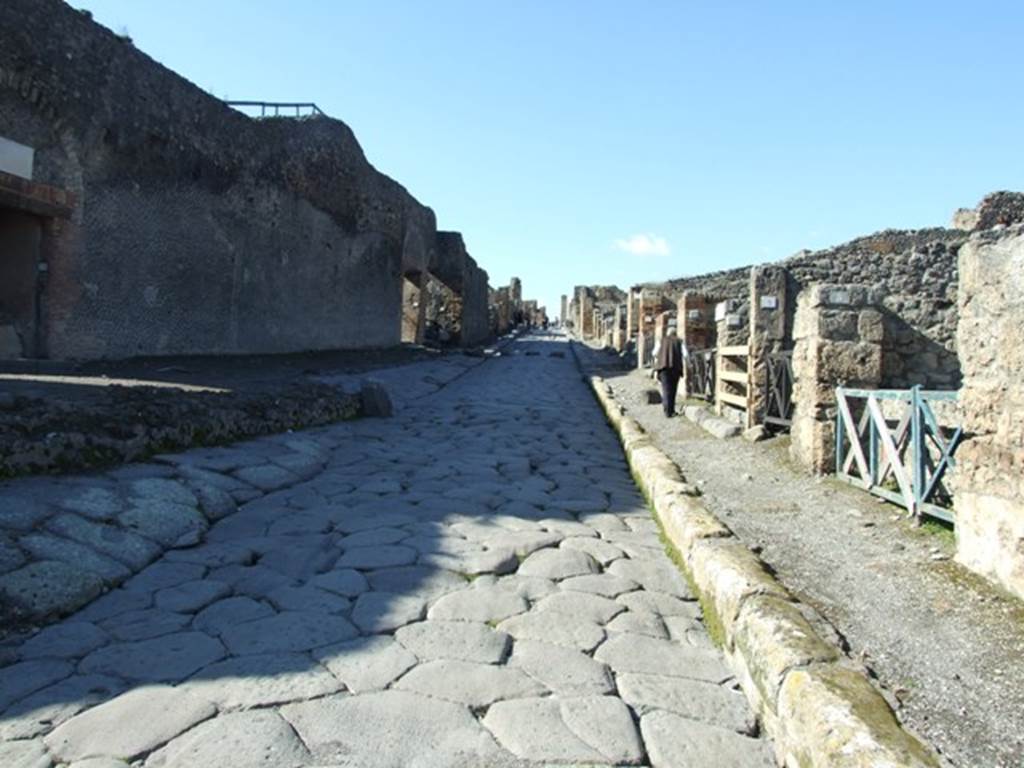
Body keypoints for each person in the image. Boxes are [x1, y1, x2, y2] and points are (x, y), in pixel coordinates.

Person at [654, 327, 683, 418]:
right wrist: (689, 364)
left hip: (663, 368)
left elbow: (654, 353)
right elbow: (685, 354)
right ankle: (671, 410)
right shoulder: (679, 341)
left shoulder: (661, 340)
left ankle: (666, 410)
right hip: (675, 368)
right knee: (673, 390)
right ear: (675, 333)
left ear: (667, 333)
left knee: (666, 389)